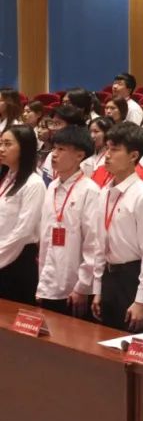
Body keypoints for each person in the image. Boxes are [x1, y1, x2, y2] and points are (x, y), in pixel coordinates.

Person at [90, 122, 143, 331]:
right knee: (103, 341)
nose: (107, 155)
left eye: (115, 150)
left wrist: (141, 300)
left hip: (132, 278)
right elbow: (99, 245)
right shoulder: (104, 192)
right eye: (107, 148)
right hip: (109, 276)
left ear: (133, 155)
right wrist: (97, 289)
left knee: (130, 343)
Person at [35, 126, 99, 316]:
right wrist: (42, 283)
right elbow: (45, 238)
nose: (54, 154)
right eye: (54, 148)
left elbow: (93, 243)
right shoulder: (52, 187)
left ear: (79, 155)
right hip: (48, 281)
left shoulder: (90, 190)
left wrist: (83, 286)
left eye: (61, 149)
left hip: (74, 287)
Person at [0, 125, 48, 305]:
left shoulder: (34, 184)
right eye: (0, 143)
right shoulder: (8, 177)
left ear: (24, 148)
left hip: (17, 260)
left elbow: (23, 231)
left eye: (7, 144)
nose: (1, 149)